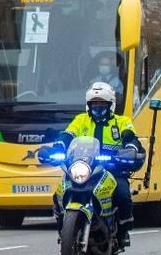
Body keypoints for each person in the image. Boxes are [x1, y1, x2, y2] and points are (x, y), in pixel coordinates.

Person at [59, 82, 145, 246]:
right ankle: (62, 223)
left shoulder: (121, 122)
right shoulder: (81, 120)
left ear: (110, 105)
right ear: (88, 105)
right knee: (59, 191)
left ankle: (123, 230)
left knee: (122, 193)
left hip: (112, 169)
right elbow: (67, 135)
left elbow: (130, 137)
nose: (98, 107)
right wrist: (58, 146)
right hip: (85, 167)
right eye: (94, 104)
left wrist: (129, 149)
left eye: (102, 104)